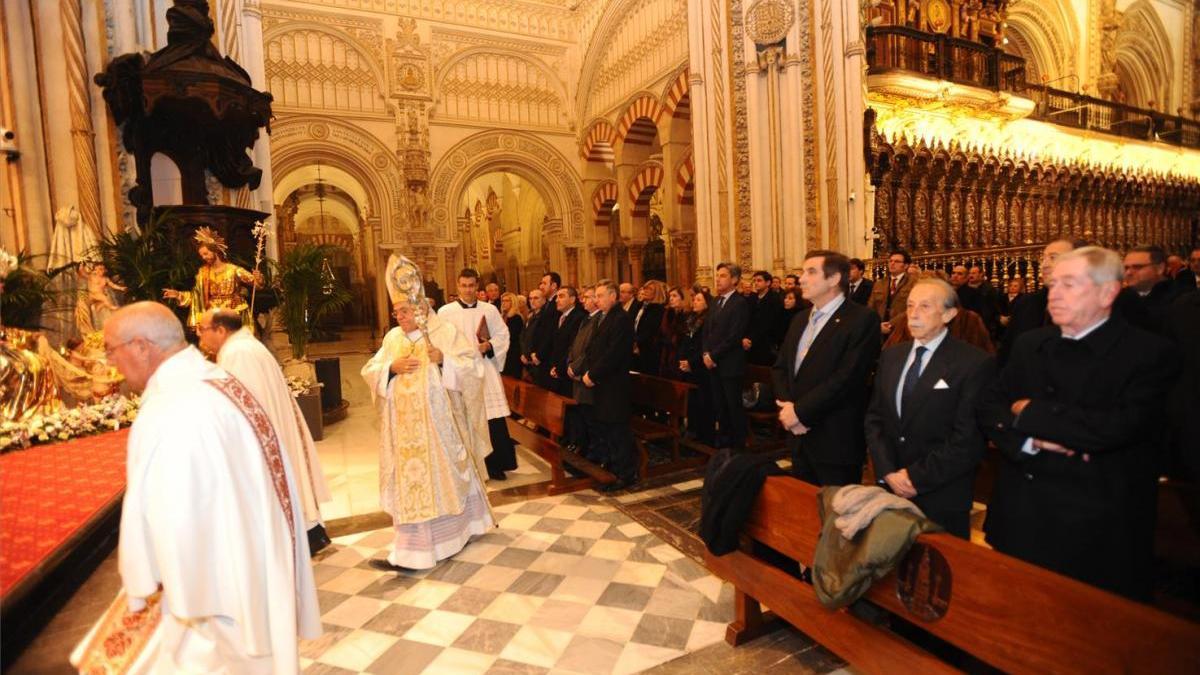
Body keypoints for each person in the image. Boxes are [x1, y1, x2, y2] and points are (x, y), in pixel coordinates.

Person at [73, 302, 320, 673]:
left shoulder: (175, 407)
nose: (110, 363)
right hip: (250, 568)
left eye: (111, 350)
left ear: (142, 346)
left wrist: (149, 579)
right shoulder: (210, 380)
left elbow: (174, 520)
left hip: (216, 597)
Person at [979, 247, 1176, 600]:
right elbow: (990, 406)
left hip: (1098, 528)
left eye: (1069, 284)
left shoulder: (1148, 353)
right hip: (1023, 515)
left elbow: (1117, 427)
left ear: (1108, 292)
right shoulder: (1030, 344)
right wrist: (1030, 442)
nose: (1054, 294)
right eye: (1053, 284)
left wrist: (1030, 412)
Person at [362, 287, 496, 570]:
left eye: (405, 311)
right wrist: (390, 368)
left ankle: (455, 536)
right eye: (396, 311)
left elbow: (474, 369)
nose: (399, 317)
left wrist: (444, 360)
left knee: (443, 481)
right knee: (411, 484)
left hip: (439, 432)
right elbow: (370, 369)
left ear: (420, 308)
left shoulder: (443, 332)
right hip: (404, 433)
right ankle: (412, 550)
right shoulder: (392, 338)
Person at [865, 279, 993, 538]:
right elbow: (875, 418)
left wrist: (914, 477)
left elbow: (967, 438)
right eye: (910, 305)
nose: (913, 313)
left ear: (948, 314)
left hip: (941, 492)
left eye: (924, 306)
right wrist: (888, 470)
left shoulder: (973, 363)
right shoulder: (892, 356)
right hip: (891, 488)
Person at [198, 308, 333, 553]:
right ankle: (305, 535)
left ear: (220, 329)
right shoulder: (244, 346)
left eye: (202, 329)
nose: (199, 336)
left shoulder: (238, 353)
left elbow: (244, 404)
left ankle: (298, 538)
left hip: (263, 438)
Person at [773, 251, 881, 486]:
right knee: (806, 512)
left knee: (836, 517)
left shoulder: (862, 319)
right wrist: (788, 409)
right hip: (798, 436)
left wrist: (800, 412)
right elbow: (781, 368)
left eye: (811, 272)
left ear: (833, 279)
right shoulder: (800, 319)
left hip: (834, 438)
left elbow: (847, 378)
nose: (801, 279)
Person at [439, 268, 518, 480]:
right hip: (460, 373)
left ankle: (495, 465)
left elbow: (503, 335)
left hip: (485, 370)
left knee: (491, 418)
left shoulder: (489, 310)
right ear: (457, 286)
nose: (467, 290)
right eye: (463, 285)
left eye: (472, 285)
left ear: (477, 286)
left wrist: (489, 345)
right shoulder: (445, 313)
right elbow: (440, 342)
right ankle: (469, 465)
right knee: (465, 418)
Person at [583, 279, 639, 491]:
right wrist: (589, 371)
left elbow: (613, 354)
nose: (596, 300)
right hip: (603, 383)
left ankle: (626, 472)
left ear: (613, 296)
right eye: (595, 296)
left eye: (600, 296)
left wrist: (593, 374)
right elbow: (595, 348)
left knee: (618, 428)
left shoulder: (621, 319)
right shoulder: (605, 318)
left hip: (614, 384)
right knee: (607, 426)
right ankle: (614, 467)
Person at [998, 238, 1078, 366]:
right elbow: (1008, 352)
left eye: (1053, 257)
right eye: (1044, 258)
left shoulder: (1088, 306)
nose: (1044, 265)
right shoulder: (1026, 303)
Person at [163, 227, 261, 328]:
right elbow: (197, 296)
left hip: (233, 313)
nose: (204, 257)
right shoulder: (203, 272)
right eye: (202, 256)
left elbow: (256, 285)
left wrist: (257, 278)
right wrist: (178, 295)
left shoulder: (234, 270)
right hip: (213, 315)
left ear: (215, 251)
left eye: (206, 254)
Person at [703, 262, 752, 450]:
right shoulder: (716, 301)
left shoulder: (740, 303)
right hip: (714, 363)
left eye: (723, 275)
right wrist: (706, 353)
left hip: (730, 364)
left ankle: (738, 446)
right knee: (720, 406)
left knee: (733, 407)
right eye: (717, 275)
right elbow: (707, 331)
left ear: (734, 279)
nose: (718, 279)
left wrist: (713, 355)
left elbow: (734, 336)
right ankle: (724, 443)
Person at [566, 286, 602, 458]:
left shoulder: (597, 321)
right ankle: (584, 447)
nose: (583, 300)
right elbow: (574, 345)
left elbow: (590, 349)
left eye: (587, 297)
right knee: (581, 415)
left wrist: (576, 367)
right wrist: (569, 363)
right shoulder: (586, 319)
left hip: (586, 375)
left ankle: (593, 453)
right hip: (577, 375)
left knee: (591, 418)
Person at [677, 289, 716, 446]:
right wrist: (682, 360)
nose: (694, 302)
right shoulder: (691, 318)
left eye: (699, 300)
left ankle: (705, 436)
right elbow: (685, 341)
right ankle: (692, 431)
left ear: (707, 303)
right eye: (694, 300)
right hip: (689, 367)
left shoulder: (708, 321)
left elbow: (704, 346)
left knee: (704, 402)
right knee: (692, 402)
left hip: (701, 368)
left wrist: (692, 363)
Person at [1122, 244, 1186, 335]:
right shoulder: (1119, 296)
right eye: (1126, 268)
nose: (1128, 273)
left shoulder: (1182, 298)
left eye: (1137, 267)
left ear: (1160, 268)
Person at [867, 249, 915, 336]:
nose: (892, 264)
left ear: (906, 265)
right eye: (890, 261)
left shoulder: (913, 283)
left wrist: (891, 324)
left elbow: (912, 308)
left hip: (903, 329)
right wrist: (876, 325)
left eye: (897, 261)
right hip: (880, 329)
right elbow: (871, 307)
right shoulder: (879, 283)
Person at [548, 286, 586, 396]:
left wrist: (560, 368)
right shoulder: (559, 317)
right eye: (556, 297)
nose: (556, 300)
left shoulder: (579, 317)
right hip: (556, 369)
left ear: (572, 299)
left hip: (566, 371)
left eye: (561, 296)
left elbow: (573, 346)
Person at [529, 273, 562, 389]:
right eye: (541, 283)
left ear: (554, 285)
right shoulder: (547, 304)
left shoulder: (556, 305)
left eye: (544, 283)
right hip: (540, 357)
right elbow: (539, 331)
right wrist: (533, 352)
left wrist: (539, 355)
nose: (541, 286)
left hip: (548, 358)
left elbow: (551, 333)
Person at [744, 270, 783, 366]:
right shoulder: (752, 298)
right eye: (754, 281)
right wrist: (746, 338)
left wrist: (752, 339)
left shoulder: (775, 299)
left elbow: (769, 323)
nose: (756, 283)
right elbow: (747, 320)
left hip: (767, 343)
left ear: (768, 283)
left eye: (759, 280)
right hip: (750, 343)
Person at [633, 280, 666, 375]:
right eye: (644, 288)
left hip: (648, 349)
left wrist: (637, 343)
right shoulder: (640, 306)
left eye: (649, 289)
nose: (645, 291)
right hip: (635, 348)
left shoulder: (658, 309)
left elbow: (650, 329)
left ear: (657, 292)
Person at [660, 286, 690, 379]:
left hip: (680, 354)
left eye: (674, 296)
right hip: (667, 354)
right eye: (670, 296)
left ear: (683, 298)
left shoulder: (687, 315)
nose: (671, 299)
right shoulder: (668, 314)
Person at [500, 292, 527, 379]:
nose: (503, 303)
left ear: (513, 303)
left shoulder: (516, 318)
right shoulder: (502, 317)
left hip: (513, 353)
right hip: (504, 353)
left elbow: (512, 336)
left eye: (507, 301)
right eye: (502, 301)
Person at [520, 288, 545, 380]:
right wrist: (523, 353)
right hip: (527, 360)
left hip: (537, 359)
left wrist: (533, 355)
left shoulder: (545, 316)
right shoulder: (531, 315)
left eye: (536, 298)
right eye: (530, 299)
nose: (532, 301)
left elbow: (541, 338)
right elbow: (524, 336)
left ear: (543, 300)